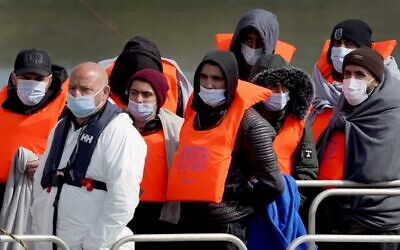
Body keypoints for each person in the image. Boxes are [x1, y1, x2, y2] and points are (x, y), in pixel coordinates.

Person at [166, 50, 284, 250]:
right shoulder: (195, 114)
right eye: (203, 77)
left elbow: (273, 184)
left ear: (229, 82)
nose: (208, 85)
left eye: (217, 79)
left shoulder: (251, 124)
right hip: (188, 220)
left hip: (226, 228)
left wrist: (239, 209)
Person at [31, 62, 147, 250]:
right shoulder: (60, 128)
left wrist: (93, 245)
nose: (76, 95)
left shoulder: (121, 133)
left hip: (96, 246)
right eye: (72, 88)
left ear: (105, 92)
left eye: (85, 90)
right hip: (53, 242)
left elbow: (123, 200)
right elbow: (40, 182)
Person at [316, 47, 400, 250]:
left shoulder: (391, 117)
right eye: (347, 74)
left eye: (360, 74)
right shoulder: (341, 114)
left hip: (378, 226)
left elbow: (375, 171)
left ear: (377, 81)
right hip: (334, 217)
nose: (351, 81)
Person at [249, 54, 318, 223]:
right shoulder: (242, 119)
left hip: (288, 207)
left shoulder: (300, 120)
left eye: (284, 87)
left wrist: (292, 203)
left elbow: (308, 171)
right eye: (273, 86)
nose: (279, 93)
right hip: (249, 207)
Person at [309, 19, 400, 142]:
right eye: (336, 44)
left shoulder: (390, 98)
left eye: (349, 44)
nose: (341, 49)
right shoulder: (317, 88)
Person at [0, 48, 68, 210]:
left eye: (38, 78)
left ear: (49, 80)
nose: (32, 83)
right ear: (13, 78)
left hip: (46, 189)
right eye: (25, 78)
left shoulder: (69, 107)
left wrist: (48, 164)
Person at [125, 69, 183, 250]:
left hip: (161, 215)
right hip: (122, 209)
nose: (138, 99)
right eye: (134, 93)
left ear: (158, 99)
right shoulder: (116, 125)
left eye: (146, 94)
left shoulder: (176, 128)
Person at [99, 36, 193, 117]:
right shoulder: (99, 81)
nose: (139, 100)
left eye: (146, 94)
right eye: (134, 91)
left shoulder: (177, 83)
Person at [215, 9, 296, 80]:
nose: (253, 48)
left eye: (260, 42)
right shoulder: (215, 76)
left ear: (270, 44)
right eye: (248, 40)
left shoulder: (283, 85)